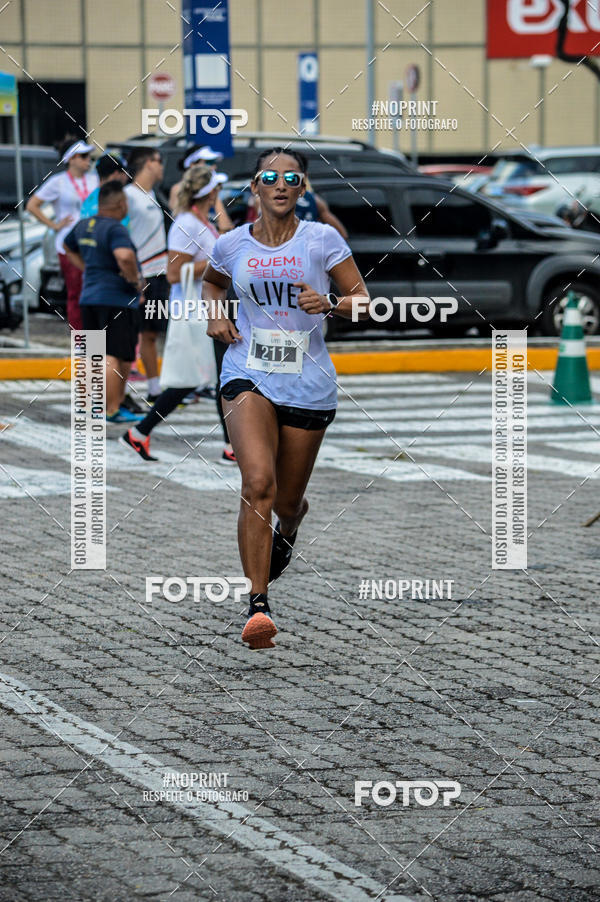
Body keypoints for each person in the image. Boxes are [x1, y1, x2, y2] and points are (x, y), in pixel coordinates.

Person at [202, 147, 370, 650]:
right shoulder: (231, 244)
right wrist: (216, 314)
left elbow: (364, 303)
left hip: (308, 382)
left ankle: (290, 527)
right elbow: (211, 284)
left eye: (291, 178)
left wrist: (333, 303)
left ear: (302, 188)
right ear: (254, 186)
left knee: (288, 501)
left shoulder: (322, 240)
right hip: (247, 372)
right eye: (269, 177)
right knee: (257, 483)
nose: (280, 185)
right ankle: (258, 606)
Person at [120, 166, 235, 461]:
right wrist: (214, 262)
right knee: (215, 378)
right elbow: (174, 273)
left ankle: (139, 433)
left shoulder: (201, 220)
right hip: (195, 310)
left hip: (209, 308)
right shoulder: (186, 223)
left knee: (201, 378)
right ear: (209, 191)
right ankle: (230, 446)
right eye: (216, 188)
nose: (219, 193)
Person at [63, 181, 144, 423]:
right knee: (115, 355)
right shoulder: (115, 228)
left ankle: (92, 407)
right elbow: (125, 256)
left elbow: (68, 247)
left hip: (89, 298)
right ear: (121, 204)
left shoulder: (84, 225)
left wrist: (88, 268)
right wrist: (135, 282)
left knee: (93, 354)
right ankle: (112, 409)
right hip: (117, 299)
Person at [26, 138, 99, 330]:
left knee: (95, 292)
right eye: (83, 156)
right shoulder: (57, 182)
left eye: (89, 156)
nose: (88, 160)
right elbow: (32, 205)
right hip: (69, 245)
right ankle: (82, 344)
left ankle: (96, 341)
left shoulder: (94, 179)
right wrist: (54, 225)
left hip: (93, 242)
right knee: (76, 293)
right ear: (71, 159)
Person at [124, 147, 169, 403]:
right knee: (131, 333)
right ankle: (125, 388)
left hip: (159, 274)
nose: (163, 167)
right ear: (148, 164)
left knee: (151, 333)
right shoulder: (128, 195)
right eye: (159, 161)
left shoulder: (155, 195)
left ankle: (154, 388)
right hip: (139, 274)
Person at [169, 145, 234, 232]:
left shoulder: (212, 190)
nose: (214, 167)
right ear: (192, 165)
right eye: (208, 162)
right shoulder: (178, 189)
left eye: (213, 162)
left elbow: (226, 228)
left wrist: (213, 192)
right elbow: (182, 228)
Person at [80, 153, 130, 224]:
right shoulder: (115, 199)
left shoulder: (89, 199)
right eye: (124, 173)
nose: (126, 177)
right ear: (116, 174)